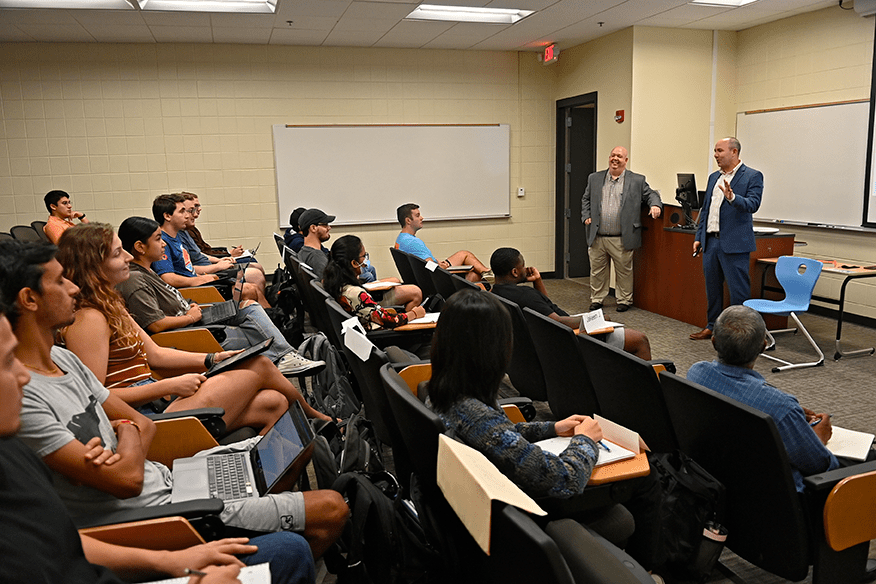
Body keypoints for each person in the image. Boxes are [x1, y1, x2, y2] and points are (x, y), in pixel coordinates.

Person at [1, 240, 348, 560]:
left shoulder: (63, 361)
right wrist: (128, 432)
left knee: (289, 437)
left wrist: (125, 438)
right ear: (30, 299)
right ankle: (263, 529)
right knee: (332, 507)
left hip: (169, 478)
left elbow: (141, 428)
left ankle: (262, 515)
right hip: (158, 512)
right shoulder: (24, 399)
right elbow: (127, 477)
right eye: (61, 281)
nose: (73, 287)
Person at [0, 302, 316, 584]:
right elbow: (128, 479)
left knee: (282, 419)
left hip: (162, 479)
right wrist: (128, 429)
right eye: (6, 362)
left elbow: (64, 537)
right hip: (151, 503)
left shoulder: (14, 451)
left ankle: (257, 505)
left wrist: (171, 561)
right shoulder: (26, 424)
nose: (25, 377)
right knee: (261, 368)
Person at [428, 289, 664, 570]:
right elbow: (563, 479)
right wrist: (585, 441)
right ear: (490, 350)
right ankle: (648, 572)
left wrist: (553, 428)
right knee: (645, 477)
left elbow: (501, 433)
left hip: (488, 506)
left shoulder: (444, 392)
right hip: (526, 514)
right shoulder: (475, 413)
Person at [50, 227, 327, 429]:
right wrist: (168, 386)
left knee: (274, 403)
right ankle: (320, 420)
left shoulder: (111, 304)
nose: (126, 257)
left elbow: (156, 355)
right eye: (116, 253)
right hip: (147, 416)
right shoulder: (88, 320)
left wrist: (212, 358)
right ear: (93, 267)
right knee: (261, 366)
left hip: (159, 397)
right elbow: (97, 398)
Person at [116, 217, 323, 373]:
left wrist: (191, 307)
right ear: (139, 247)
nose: (163, 244)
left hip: (194, 319)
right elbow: (155, 325)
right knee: (258, 334)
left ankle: (285, 355)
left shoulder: (148, 270)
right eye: (158, 239)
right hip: (191, 333)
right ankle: (285, 355)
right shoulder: (135, 279)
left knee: (248, 305)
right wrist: (190, 316)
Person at [687, 305, 846, 492]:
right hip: (779, 502)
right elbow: (819, 466)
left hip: (714, 483)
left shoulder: (696, 374)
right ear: (763, 346)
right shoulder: (780, 407)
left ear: (713, 342)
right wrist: (819, 436)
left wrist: (790, 415)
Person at [490, 247, 652, 360]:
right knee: (640, 340)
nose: (526, 269)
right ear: (515, 272)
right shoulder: (526, 295)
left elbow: (546, 307)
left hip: (545, 337)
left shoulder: (494, 293)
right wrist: (599, 318)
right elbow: (557, 322)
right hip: (567, 338)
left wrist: (537, 281)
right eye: (522, 266)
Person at [690, 137, 763, 340]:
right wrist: (699, 236)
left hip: (735, 244)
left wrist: (732, 198)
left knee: (738, 292)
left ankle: (740, 333)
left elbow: (753, 204)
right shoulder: (714, 177)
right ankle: (712, 326)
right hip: (711, 242)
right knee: (712, 289)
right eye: (715, 151)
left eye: (720, 151)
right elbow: (706, 210)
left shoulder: (752, 176)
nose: (716, 155)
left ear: (734, 152)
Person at [581, 147, 662, 312]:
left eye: (619, 156)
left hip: (621, 236)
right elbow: (586, 199)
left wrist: (655, 205)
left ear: (626, 160)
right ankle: (597, 299)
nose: (615, 159)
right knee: (597, 271)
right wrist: (586, 216)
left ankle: (624, 300)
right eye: (613, 155)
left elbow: (651, 194)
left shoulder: (637, 180)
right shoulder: (595, 178)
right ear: (609, 158)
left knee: (624, 271)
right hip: (597, 235)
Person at [323, 234, 425, 331]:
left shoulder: (332, 282)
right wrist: (414, 313)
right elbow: (391, 321)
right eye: (363, 256)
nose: (365, 260)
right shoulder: (355, 293)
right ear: (354, 263)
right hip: (380, 336)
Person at [395, 203, 489, 283]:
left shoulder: (401, 239)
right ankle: (488, 275)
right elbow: (430, 268)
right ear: (408, 220)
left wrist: (436, 262)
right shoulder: (413, 242)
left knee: (464, 254)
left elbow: (423, 262)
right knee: (474, 276)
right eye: (417, 215)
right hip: (435, 280)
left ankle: (487, 272)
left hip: (423, 277)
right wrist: (440, 266)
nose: (422, 218)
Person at [184, 192, 245, 258]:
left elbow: (203, 252)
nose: (199, 209)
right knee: (253, 266)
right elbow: (200, 257)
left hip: (210, 261)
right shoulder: (185, 232)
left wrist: (227, 254)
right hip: (207, 264)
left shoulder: (191, 228)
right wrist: (229, 254)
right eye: (193, 208)